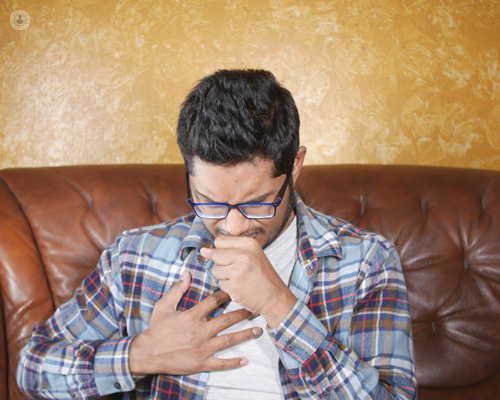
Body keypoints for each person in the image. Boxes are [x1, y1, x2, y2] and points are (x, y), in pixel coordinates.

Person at [17, 69, 417, 399]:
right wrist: (142, 355)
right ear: (188, 174)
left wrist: (280, 305)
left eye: (258, 201)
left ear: (294, 167)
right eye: (209, 201)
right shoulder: (136, 255)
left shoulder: (365, 261)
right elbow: (34, 368)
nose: (233, 226)